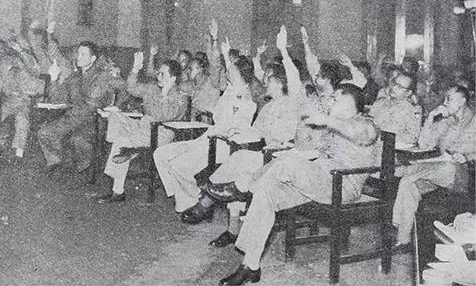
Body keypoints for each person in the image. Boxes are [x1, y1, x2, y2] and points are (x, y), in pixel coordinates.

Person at [216, 84, 379, 285]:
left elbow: (361, 135)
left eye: (335, 98)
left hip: (343, 186)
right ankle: (250, 266)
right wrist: (304, 122)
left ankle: (242, 188)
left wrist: (327, 119)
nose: (330, 101)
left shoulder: (366, 123)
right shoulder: (330, 126)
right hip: (319, 180)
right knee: (266, 192)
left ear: (350, 102)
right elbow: (303, 147)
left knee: (288, 162)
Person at [201, 26, 308, 246]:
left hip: (285, 159)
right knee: (239, 169)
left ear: (280, 83)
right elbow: (258, 131)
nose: (264, 81)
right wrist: (238, 130)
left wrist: (283, 52)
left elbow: (295, 79)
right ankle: (231, 228)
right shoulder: (268, 107)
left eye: (268, 78)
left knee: (241, 162)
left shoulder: (294, 102)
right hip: (267, 156)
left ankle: (207, 200)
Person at [153, 26, 257, 223]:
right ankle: (191, 197)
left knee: (178, 167)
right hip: (208, 136)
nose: (227, 73)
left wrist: (223, 52)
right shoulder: (231, 88)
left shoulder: (244, 96)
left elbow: (231, 123)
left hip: (222, 144)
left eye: (231, 71)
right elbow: (224, 68)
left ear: (238, 75)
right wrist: (223, 50)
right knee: (161, 154)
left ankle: (194, 204)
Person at [97, 54, 188, 203]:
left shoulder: (180, 96)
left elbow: (163, 116)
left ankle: (117, 189)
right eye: (158, 72)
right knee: (116, 117)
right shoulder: (152, 89)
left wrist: (164, 95)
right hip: (143, 126)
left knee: (121, 142)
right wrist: (135, 69)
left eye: (162, 74)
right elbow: (131, 88)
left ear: (172, 78)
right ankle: (126, 150)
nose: (158, 76)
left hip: (160, 132)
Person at [392, 86, 475, 246]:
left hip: (461, 174)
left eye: (449, 99)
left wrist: (466, 157)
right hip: (438, 170)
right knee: (408, 184)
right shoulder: (446, 121)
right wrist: (430, 117)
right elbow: (424, 144)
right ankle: (403, 239)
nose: (444, 102)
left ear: (462, 101)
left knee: (417, 173)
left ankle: (405, 172)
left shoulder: (474, 121)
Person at [38, 41, 125, 175]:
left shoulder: (102, 75)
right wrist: (54, 78)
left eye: (83, 54)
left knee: (78, 140)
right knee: (44, 132)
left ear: (93, 59)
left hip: (93, 121)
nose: (79, 57)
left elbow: (125, 88)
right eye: (78, 53)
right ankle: (57, 162)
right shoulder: (75, 77)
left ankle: (81, 169)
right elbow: (57, 98)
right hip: (73, 118)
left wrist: (117, 106)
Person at [0, 39, 44, 161]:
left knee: (22, 120)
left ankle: (18, 152)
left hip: (24, 101)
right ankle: (7, 148)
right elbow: (4, 88)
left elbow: (31, 67)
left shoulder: (31, 68)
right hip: (12, 101)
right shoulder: (12, 70)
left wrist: (21, 51)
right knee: (5, 116)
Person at [368, 71, 422, 146]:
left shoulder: (414, 110)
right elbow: (369, 121)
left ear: (408, 93)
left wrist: (386, 137)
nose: (394, 88)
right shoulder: (380, 102)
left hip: (393, 147)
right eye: (394, 83)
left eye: (400, 86)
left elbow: (413, 137)